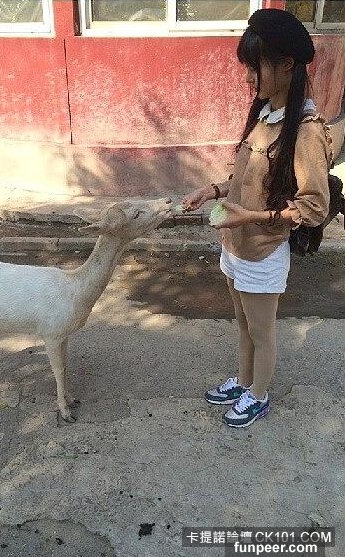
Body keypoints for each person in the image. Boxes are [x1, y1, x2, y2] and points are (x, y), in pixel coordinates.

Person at [181, 8, 332, 428]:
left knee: (262, 333)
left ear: (287, 65)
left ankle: (259, 396)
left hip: (263, 251)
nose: (248, 78)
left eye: (255, 67)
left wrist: (252, 216)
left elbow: (314, 208)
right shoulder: (265, 115)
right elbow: (248, 178)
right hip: (235, 245)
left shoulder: (305, 130)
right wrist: (212, 191)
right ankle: (244, 382)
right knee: (243, 324)